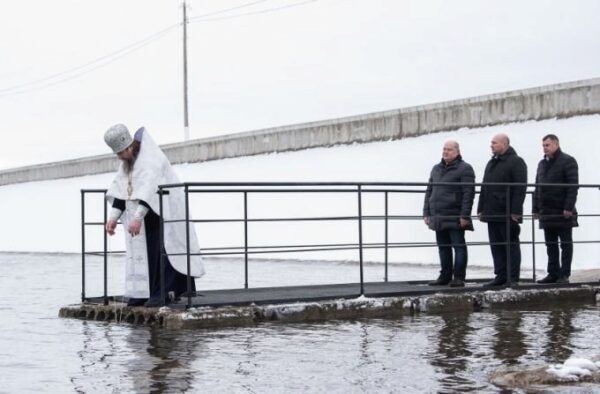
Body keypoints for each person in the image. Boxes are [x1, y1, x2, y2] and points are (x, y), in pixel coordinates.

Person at [104, 124, 205, 307]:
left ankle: (163, 293)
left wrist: (136, 218)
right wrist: (112, 218)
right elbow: (121, 192)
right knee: (143, 255)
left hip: (163, 213)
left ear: (129, 146)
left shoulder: (151, 160)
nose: (119, 157)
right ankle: (141, 292)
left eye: (120, 153)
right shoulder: (127, 164)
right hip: (146, 219)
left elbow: (150, 190)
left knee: (160, 253)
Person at [423, 140, 475, 287]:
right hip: (438, 215)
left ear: (457, 152)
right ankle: (445, 276)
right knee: (443, 247)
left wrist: (465, 215)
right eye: (444, 149)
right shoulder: (436, 168)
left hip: (455, 214)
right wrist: (426, 212)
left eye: (449, 150)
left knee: (458, 246)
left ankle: (459, 277)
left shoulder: (465, 169)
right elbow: (429, 191)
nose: (445, 152)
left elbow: (468, 193)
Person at [477, 133, 527, 287]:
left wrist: (516, 211)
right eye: (491, 143)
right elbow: (484, 187)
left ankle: (512, 277)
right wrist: (480, 208)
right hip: (492, 212)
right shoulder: (491, 163)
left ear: (505, 144)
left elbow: (520, 188)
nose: (491, 145)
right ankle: (501, 275)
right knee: (496, 245)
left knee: (510, 244)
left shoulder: (516, 162)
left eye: (494, 143)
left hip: (507, 212)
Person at [532, 134, 578, 284]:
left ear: (556, 144)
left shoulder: (568, 161)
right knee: (550, 244)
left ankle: (564, 274)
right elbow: (537, 186)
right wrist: (535, 208)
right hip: (547, 211)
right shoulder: (541, 163)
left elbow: (572, 186)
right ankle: (553, 272)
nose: (545, 148)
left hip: (562, 210)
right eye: (543, 145)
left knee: (565, 244)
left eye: (548, 145)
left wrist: (568, 207)